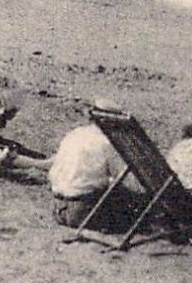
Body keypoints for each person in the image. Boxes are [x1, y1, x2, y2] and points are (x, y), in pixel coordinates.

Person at [48, 98, 140, 229]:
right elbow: (126, 181)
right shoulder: (108, 143)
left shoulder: (74, 134)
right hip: (82, 213)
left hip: (57, 208)